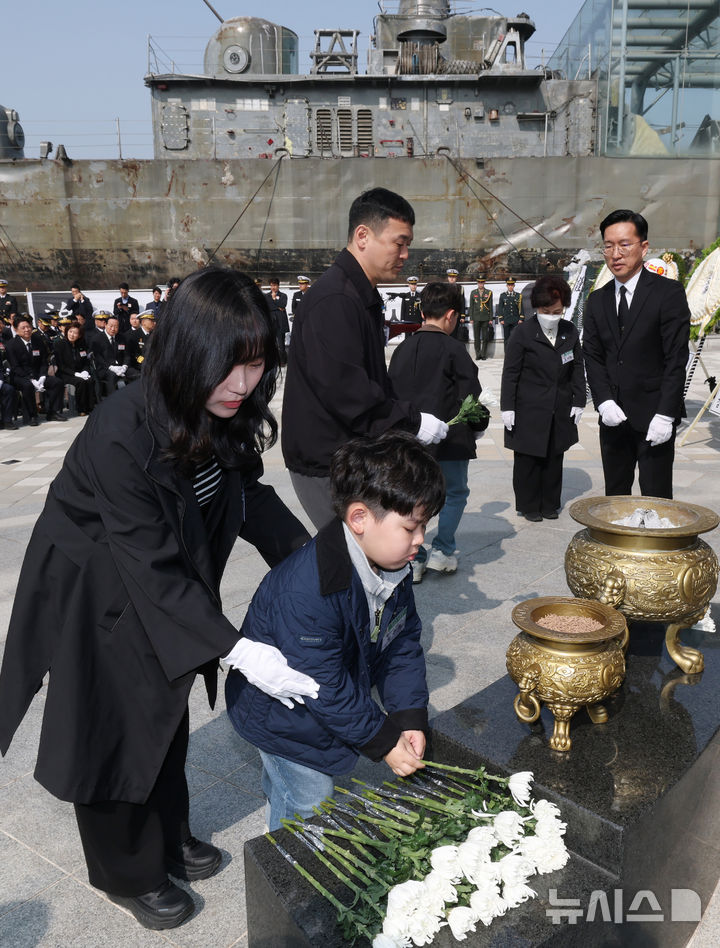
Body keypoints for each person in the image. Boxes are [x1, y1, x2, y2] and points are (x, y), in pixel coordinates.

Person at [0, 268, 317, 931]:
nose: (241, 385)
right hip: (99, 583)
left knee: (166, 709)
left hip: (167, 568)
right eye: (226, 367)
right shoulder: (122, 430)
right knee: (113, 726)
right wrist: (237, 649)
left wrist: (312, 562)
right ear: (185, 354)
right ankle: (127, 870)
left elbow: (248, 495)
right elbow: (150, 564)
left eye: (255, 365)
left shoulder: (224, 411)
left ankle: (168, 834)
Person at [226, 432, 443, 830]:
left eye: (424, 526)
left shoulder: (393, 564)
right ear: (359, 518)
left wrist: (408, 715)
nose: (420, 541)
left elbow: (401, 642)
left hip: (322, 699)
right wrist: (383, 741)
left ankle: (280, 791)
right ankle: (289, 872)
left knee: (294, 788)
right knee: (310, 800)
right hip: (282, 712)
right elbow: (324, 684)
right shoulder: (307, 590)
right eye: (411, 527)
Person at [281, 187, 448, 530]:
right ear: (362, 236)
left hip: (349, 455)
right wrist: (412, 423)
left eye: (408, 245)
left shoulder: (359, 294)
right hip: (327, 461)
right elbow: (349, 393)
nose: (405, 254)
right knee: (353, 562)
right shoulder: (336, 300)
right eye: (398, 243)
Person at [582, 209, 690, 498]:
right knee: (615, 498)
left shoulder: (668, 293)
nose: (615, 253)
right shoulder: (597, 300)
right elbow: (592, 355)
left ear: (644, 247)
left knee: (656, 498)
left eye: (624, 244)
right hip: (614, 418)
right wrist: (603, 401)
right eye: (608, 245)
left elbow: (676, 357)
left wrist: (666, 415)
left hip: (654, 417)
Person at [389, 282, 486, 581]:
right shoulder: (454, 349)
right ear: (452, 315)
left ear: (421, 310)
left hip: (410, 438)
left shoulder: (402, 348)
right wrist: (478, 426)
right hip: (451, 438)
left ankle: (414, 558)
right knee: (455, 492)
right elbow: (471, 395)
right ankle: (443, 551)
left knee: (413, 497)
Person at [500, 275, 586, 521]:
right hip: (529, 407)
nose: (552, 315)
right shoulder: (523, 333)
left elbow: (577, 367)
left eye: (557, 311)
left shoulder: (569, 332)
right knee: (528, 459)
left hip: (559, 406)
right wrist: (508, 407)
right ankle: (528, 505)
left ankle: (549, 503)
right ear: (537, 308)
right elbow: (511, 373)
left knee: (553, 457)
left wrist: (579, 400)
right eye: (546, 310)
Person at [5, 314, 66, 424]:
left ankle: (52, 412)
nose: (27, 330)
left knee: (57, 382)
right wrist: (31, 379)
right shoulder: (11, 345)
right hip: (20, 376)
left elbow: (43, 361)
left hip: (38, 374)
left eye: (28, 327)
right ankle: (32, 415)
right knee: (27, 385)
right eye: (23, 328)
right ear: (16, 329)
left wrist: (42, 376)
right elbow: (15, 367)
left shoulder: (38, 340)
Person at [53, 319, 96, 415]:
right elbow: (61, 365)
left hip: (80, 372)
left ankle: (90, 407)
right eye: (70, 332)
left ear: (80, 335)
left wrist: (85, 371)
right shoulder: (60, 344)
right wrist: (75, 373)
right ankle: (81, 408)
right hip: (65, 373)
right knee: (80, 382)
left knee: (89, 380)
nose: (72, 335)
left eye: (75, 333)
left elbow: (85, 361)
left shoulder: (81, 345)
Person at [468, 275, 494, 360]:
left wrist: (490, 318)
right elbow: (471, 307)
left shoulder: (488, 292)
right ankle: (478, 354)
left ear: (484, 282)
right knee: (476, 337)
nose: (480, 284)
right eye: (479, 282)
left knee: (485, 337)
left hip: (485, 318)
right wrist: (471, 318)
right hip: (476, 318)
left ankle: (483, 354)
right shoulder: (473, 292)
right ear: (477, 283)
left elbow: (490, 306)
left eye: (482, 282)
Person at [265, 277, 289, 366]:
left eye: (274, 285)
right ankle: (273, 361)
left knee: (281, 344)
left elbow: (283, 305)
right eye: (271, 285)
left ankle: (283, 361)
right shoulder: (266, 296)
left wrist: (274, 299)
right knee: (271, 343)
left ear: (278, 286)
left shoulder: (283, 295)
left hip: (280, 323)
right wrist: (277, 307)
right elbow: (268, 307)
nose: (273, 287)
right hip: (271, 322)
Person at [497, 277, 522, 346]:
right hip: (506, 320)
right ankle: (507, 355)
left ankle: (514, 355)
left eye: (512, 285)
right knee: (507, 339)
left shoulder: (518, 295)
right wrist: (501, 318)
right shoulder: (503, 295)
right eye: (509, 285)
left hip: (515, 320)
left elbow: (521, 308)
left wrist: (521, 318)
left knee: (515, 338)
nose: (510, 286)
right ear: (507, 286)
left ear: (514, 286)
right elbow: (500, 308)